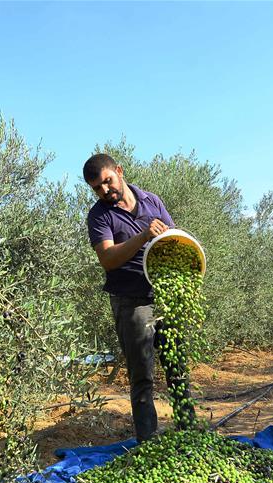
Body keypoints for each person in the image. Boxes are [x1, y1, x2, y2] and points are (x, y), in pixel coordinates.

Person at [85, 153, 190, 442]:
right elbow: (107, 258)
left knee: (177, 367)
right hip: (131, 300)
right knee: (142, 375)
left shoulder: (152, 201)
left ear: (119, 171)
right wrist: (143, 236)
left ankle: (189, 432)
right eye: (97, 188)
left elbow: (172, 236)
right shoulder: (99, 215)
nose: (105, 190)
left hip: (164, 295)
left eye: (107, 181)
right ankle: (149, 444)